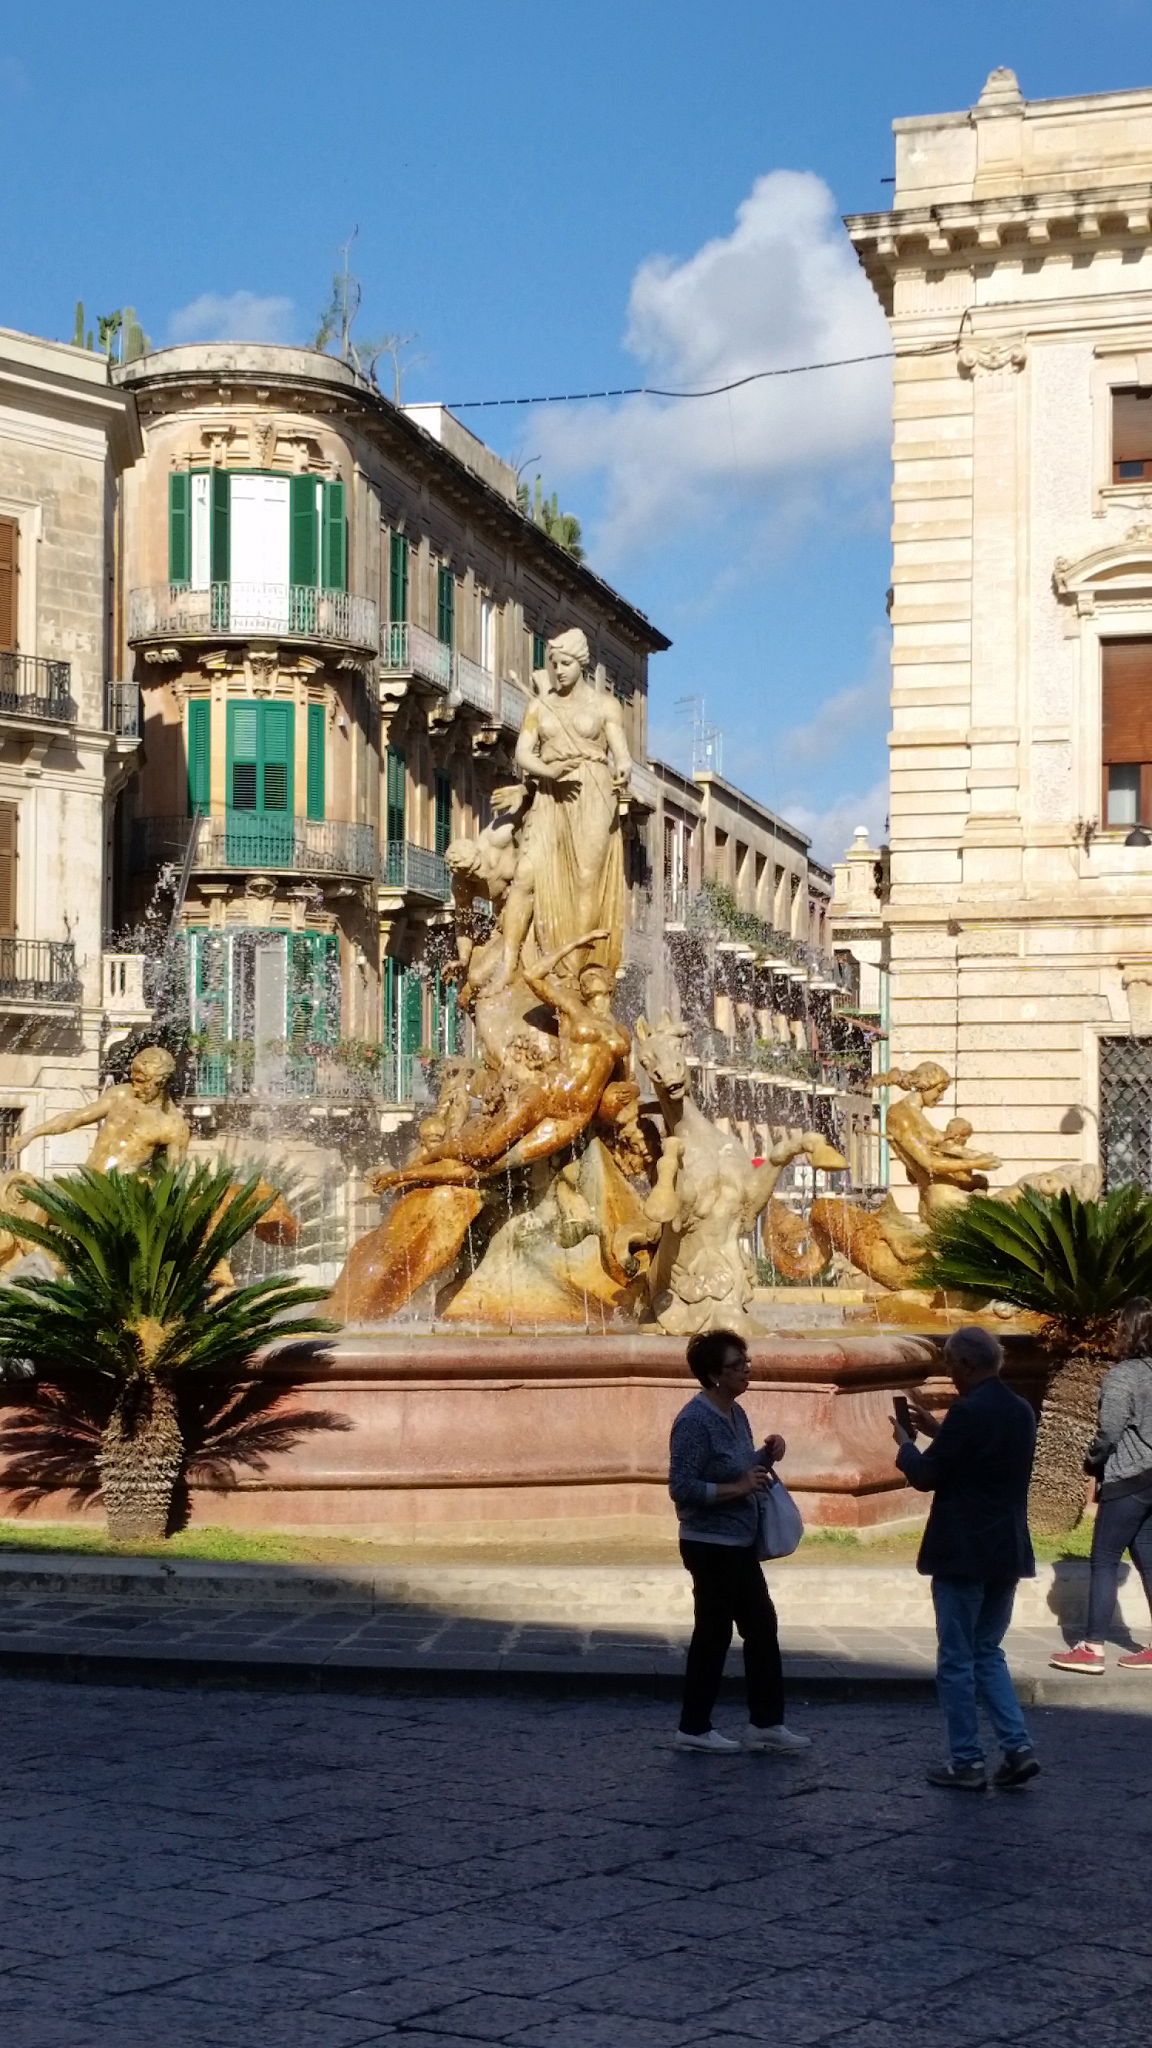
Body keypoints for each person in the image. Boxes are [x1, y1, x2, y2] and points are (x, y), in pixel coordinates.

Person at [894, 1325, 1039, 1790]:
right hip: (1006, 1548)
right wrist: (941, 1430)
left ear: (968, 1365)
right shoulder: (1019, 1409)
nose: (950, 1374)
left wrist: (904, 1446)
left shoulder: (968, 1410)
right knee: (987, 1651)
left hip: (962, 1551)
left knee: (956, 1659)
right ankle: (1016, 1748)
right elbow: (985, 1458)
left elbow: (928, 1475)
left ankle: (967, 1760)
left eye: (952, 1365)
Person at [667, 1328, 811, 1755]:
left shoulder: (736, 1413)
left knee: (761, 1628)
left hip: (739, 1541)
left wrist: (766, 1455)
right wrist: (735, 1489)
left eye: (747, 1361)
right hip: (708, 1543)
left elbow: (741, 1468)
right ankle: (693, 1728)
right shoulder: (693, 1420)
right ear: (713, 1374)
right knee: (713, 1633)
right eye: (737, 1365)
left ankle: (765, 1723)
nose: (747, 1370)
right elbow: (682, 1488)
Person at [1050, 1296, 1152, 1674]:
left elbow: (1108, 1431)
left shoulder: (1123, 1375)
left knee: (1104, 1559)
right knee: (1149, 1561)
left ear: (1126, 1331)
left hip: (1127, 1478)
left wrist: (1092, 1461)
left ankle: (1092, 1647)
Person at [12, 1045, 189, 1173]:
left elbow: (173, 1182)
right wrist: (31, 1134)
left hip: (119, 1200)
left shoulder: (173, 1126)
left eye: (142, 1082)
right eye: (133, 1079)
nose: (134, 1087)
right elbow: (75, 1118)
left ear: (161, 1082)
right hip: (87, 1184)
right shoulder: (120, 1095)